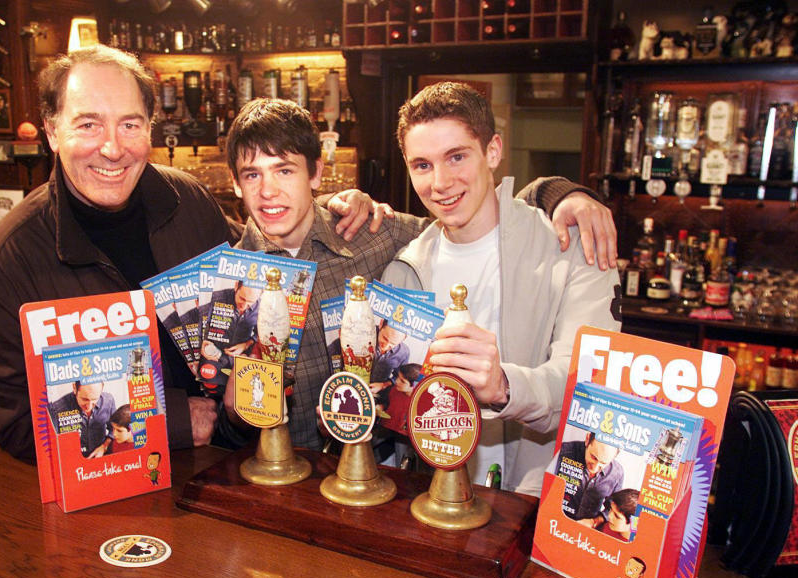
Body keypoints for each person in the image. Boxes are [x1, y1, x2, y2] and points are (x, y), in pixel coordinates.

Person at [0, 45, 377, 463]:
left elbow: (266, 249)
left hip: (226, 466)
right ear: (53, 132)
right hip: (114, 493)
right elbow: (16, 424)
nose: (112, 148)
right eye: (89, 124)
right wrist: (172, 424)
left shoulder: (186, 199)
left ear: (150, 128)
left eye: (130, 124)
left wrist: (331, 207)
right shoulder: (12, 255)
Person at [223, 98, 614, 451]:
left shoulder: (379, 236)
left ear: (315, 173)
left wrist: (559, 191)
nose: (440, 182)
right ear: (236, 185)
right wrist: (236, 413)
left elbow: (499, 223)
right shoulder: (224, 281)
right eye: (253, 175)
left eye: (284, 170)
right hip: (319, 484)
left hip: (524, 492)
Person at [381, 82, 622, 495]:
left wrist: (503, 387)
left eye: (456, 157)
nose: (440, 182)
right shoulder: (404, 268)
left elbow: (591, 391)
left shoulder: (572, 247)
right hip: (429, 499)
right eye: (422, 165)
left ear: (493, 151)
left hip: (531, 504)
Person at [554, 432, 624, 522]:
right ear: (587, 439)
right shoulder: (563, 452)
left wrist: (594, 521)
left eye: (603, 463)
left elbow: (612, 508)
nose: (595, 468)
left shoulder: (617, 473)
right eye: (593, 457)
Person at [47, 382, 115, 458]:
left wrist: (104, 447)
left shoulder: (108, 400)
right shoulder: (56, 409)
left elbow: (113, 430)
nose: (89, 406)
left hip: (103, 457)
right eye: (84, 399)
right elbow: (53, 444)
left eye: (95, 399)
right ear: (74, 388)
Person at [369, 320, 409, 394]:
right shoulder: (365, 333)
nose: (386, 346)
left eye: (393, 344)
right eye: (385, 338)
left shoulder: (403, 352)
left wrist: (383, 385)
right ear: (381, 324)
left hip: (378, 393)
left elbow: (398, 377)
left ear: (403, 339)